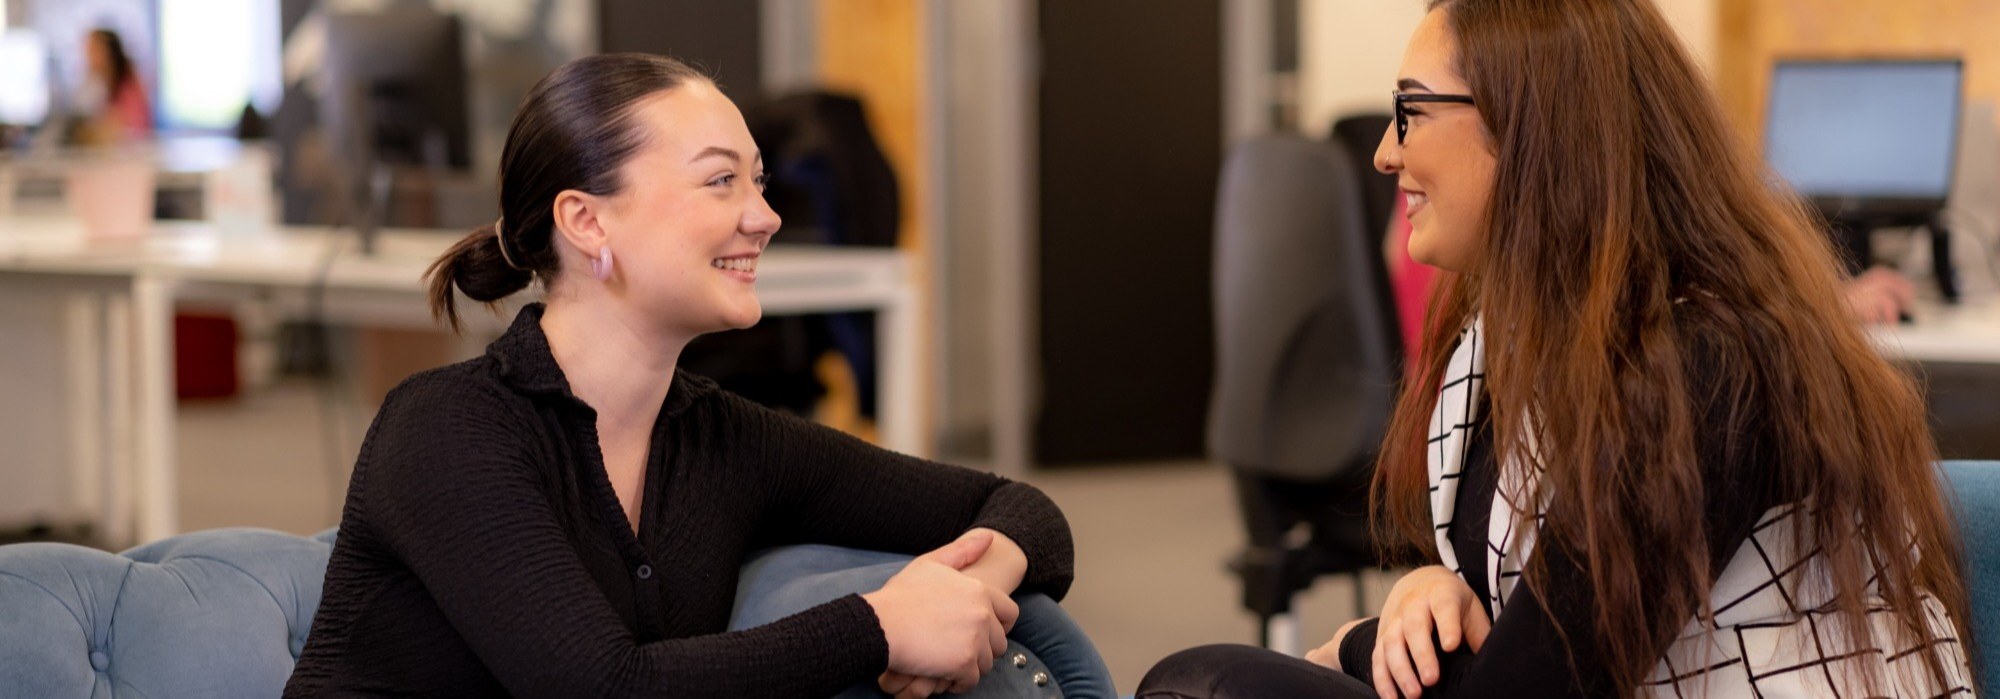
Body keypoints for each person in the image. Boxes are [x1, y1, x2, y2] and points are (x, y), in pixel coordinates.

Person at [1138, 0, 1976, 697]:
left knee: (1201, 680)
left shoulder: (1709, 365)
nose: (1387, 153)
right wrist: (1431, 589)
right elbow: (1526, 611)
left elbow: (1539, 682)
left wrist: (1355, 644)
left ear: (1531, 127)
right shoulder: (1507, 337)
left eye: (1412, 111)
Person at [283, 53, 1073, 698]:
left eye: (758, 180)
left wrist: (977, 582)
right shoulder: (446, 429)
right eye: (721, 179)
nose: (764, 215)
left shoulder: (724, 437)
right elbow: (597, 687)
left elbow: (1021, 508)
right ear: (587, 221)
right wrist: (881, 625)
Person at [73, 28, 151, 145]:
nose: (87, 56)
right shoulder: (101, 83)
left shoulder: (129, 84)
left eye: (92, 49)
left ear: (107, 51)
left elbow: (134, 128)